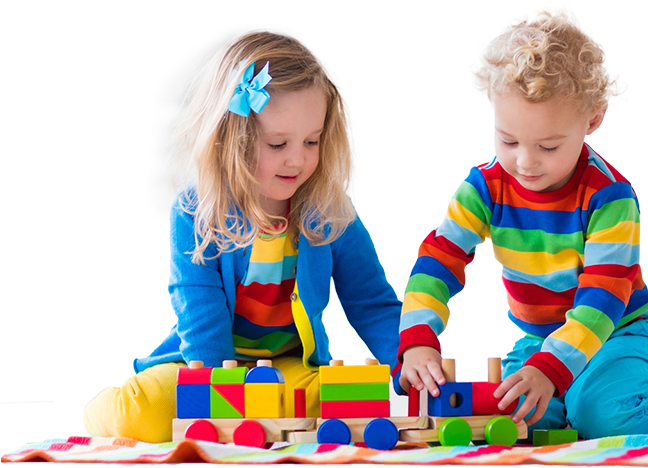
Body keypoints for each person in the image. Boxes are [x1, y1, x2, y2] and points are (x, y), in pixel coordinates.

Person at [83, 27, 410, 443]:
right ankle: (97, 410)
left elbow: (372, 302)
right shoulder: (195, 212)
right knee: (140, 414)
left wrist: (409, 358)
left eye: (311, 141)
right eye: (278, 144)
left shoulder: (329, 214)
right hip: (203, 364)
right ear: (232, 139)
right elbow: (199, 310)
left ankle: (267, 418)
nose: (298, 159)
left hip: (285, 368)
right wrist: (224, 398)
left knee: (357, 400)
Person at [398, 4, 648, 439]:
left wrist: (550, 369)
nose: (524, 162)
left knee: (601, 418)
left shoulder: (609, 199)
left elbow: (603, 301)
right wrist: (416, 339)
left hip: (619, 329)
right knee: (507, 420)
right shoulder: (484, 189)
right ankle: (571, 395)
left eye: (548, 146)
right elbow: (438, 260)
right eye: (508, 139)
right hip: (545, 340)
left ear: (592, 119)